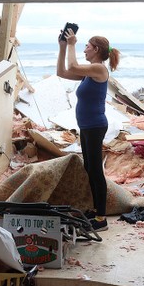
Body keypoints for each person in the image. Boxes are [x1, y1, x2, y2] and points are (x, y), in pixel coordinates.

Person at [56, 26, 120, 232]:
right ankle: (96, 210)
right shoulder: (88, 72)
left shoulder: (99, 69)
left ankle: (101, 218)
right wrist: (63, 47)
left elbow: (73, 65)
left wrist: (71, 44)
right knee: (90, 170)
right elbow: (62, 71)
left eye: (87, 46)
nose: (84, 49)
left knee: (96, 171)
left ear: (96, 50)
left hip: (95, 126)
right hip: (86, 127)